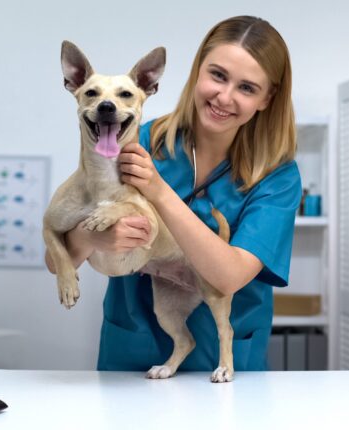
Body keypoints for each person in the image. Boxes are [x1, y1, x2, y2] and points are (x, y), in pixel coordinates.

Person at [59, 15, 301, 371]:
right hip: (132, 351)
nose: (224, 96)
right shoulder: (136, 139)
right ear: (197, 70)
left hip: (226, 365)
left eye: (247, 88)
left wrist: (157, 190)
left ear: (268, 98)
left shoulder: (277, 176)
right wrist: (94, 235)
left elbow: (229, 276)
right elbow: (61, 258)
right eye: (217, 75)